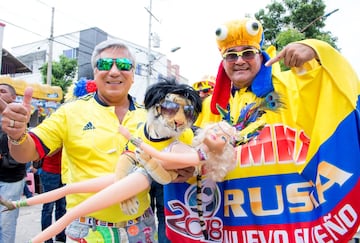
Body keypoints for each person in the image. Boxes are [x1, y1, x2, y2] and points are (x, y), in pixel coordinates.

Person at [164, 18, 360, 242]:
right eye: (231, 55)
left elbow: (340, 87)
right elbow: (189, 155)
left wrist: (316, 49)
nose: (239, 61)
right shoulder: (209, 107)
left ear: (261, 54)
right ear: (223, 61)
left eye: (247, 53)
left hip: (291, 226)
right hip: (234, 228)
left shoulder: (292, 87)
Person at [0, 39, 191, 243]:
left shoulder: (151, 115)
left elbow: (181, 153)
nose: (115, 71)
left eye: (124, 65)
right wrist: (17, 134)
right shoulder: (71, 112)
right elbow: (27, 153)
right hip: (88, 229)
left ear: (133, 74)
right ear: (95, 72)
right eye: (106, 65)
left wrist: (186, 169)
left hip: (141, 227)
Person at [0, 83, 27, 243]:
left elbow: (22, 151)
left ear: (13, 97)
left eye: (2, 91)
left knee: (6, 223)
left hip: (11, 179)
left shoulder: (19, 116)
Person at [39, 149, 66, 243]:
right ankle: (47, 239)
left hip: (64, 172)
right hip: (50, 172)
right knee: (48, 208)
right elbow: (48, 151)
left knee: (62, 208)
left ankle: (61, 237)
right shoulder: (53, 135)